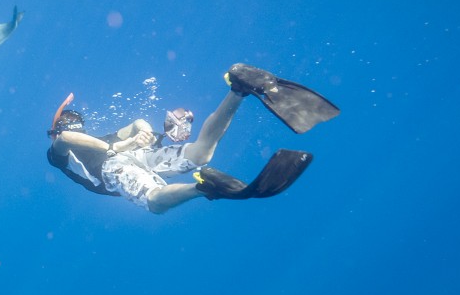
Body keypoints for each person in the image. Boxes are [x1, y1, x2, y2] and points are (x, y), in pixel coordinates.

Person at [47, 63, 339, 214]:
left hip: (114, 169)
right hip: (131, 158)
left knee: (154, 201)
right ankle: (238, 90)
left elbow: (68, 139)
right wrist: (130, 139)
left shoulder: (60, 151)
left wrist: (142, 134)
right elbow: (73, 138)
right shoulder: (76, 143)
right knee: (201, 154)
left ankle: (203, 188)